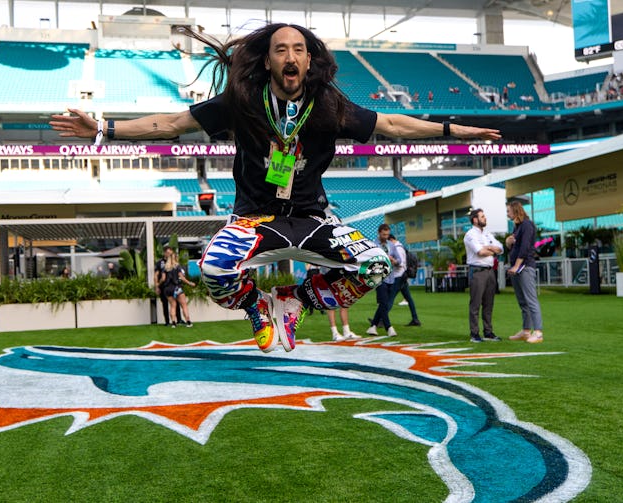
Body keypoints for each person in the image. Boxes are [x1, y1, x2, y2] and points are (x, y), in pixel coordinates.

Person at [49, 23, 500, 353]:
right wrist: (105, 127)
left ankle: (294, 301)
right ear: (268, 60)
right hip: (255, 220)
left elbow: (393, 124)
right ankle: (256, 308)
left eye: (298, 49)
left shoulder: (329, 106)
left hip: (311, 220)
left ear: (308, 59)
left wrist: (452, 130)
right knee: (214, 272)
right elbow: (170, 123)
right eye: (280, 49)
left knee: (377, 265)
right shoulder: (242, 101)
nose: (290, 57)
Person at [505, 200, 544, 344]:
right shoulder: (517, 227)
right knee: (523, 301)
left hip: (525, 267)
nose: (507, 213)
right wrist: (508, 243)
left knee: (531, 300)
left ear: (515, 211)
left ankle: (538, 332)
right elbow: (514, 247)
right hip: (517, 268)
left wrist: (516, 265)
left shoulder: (527, 225)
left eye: (508, 211)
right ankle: (526, 330)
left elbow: (526, 247)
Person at [464, 209, 503, 343]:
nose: (485, 218)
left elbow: (500, 248)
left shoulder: (487, 234)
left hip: (490, 271)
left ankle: (488, 332)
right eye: (482, 216)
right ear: (475, 219)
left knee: (489, 303)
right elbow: (480, 251)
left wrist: (489, 248)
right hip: (477, 271)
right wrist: (492, 249)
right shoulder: (470, 235)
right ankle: (474, 334)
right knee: (475, 304)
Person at [367, 224, 401, 337]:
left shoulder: (391, 245)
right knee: (384, 302)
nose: (385, 236)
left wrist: (394, 261)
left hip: (391, 278)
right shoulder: (373, 245)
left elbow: (399, 260)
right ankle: (389, 328)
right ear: (379, 233)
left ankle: (373, 326)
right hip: (379, 278)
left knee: (384, 304)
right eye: (383, 234)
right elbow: (369, 261)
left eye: (387, 234)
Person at [387, 234, 421, 327]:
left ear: (390, 240)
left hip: (399, 275)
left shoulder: (397, 248)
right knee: (409, 298)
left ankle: (381, 319)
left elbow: (400, 263)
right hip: (402, 275)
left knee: (390, 298)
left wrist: (392, 261)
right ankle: (415, 319)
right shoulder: (400, 246)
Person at [159, 251, 197, 328]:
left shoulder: (165, 267)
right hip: (177, 288)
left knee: (173, 306)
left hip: (167, 289)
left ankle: (173, 323)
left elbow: (163, 279)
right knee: (184, 305)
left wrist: (158, 284)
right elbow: (182, 278)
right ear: (175, 258)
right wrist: (190, 283)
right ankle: (188, 322)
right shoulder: (177, 266)